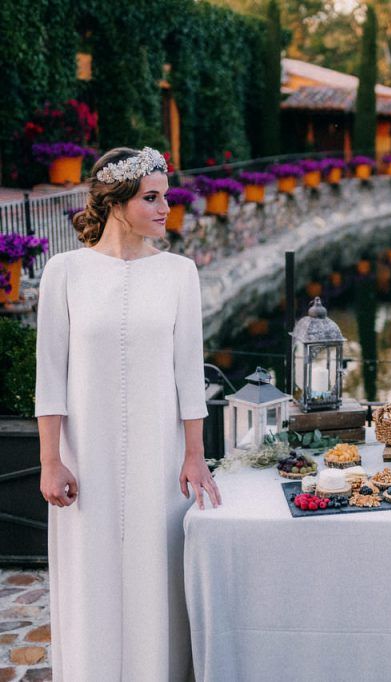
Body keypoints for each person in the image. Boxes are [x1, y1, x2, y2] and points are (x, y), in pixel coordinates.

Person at [35, 146, 221, 681]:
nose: (167, 207)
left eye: (166, 196)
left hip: (159, 457)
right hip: (83, 457)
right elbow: (51, 378)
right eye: (152, 197)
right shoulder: (63, 272)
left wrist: (194, 456)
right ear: (117, 203)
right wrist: (50, 461)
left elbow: (190, 374)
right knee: (87, 574)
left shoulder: (180, 272)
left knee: (154, 575)